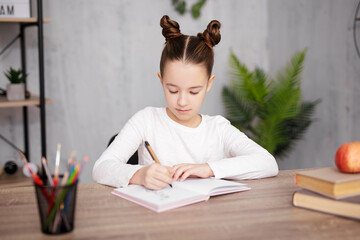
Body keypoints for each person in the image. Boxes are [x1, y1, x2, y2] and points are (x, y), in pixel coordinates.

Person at [93, 15, 278, 190]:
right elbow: (101, 168)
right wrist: (140, 175)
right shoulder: (146, 121)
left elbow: (268, 163)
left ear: (209, 84)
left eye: (193, 91)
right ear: (161, 80)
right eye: (172, 90)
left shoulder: (218, 129)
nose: (182, 101)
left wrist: (208, 169)